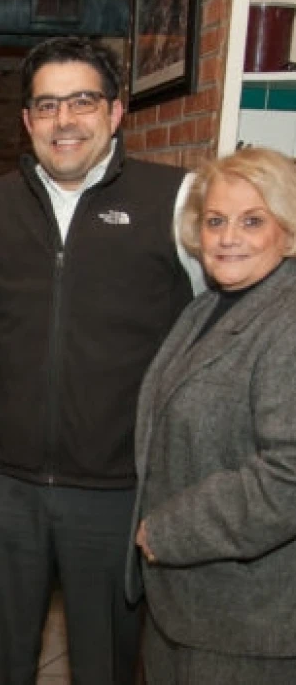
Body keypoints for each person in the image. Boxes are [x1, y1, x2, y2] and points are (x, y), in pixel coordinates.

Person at [0, 36, 206, 685]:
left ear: (115, 111)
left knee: (104, 662)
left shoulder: (174, 198)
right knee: (4, 660)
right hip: (7, 484)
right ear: (27, 120)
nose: (64, 120)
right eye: (47, 105)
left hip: (115, 489)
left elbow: (210, 334)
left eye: (82, 101)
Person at [127, 147, 296, 683]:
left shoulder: (288, 320)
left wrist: (168, 532)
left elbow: (288, 477)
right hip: (186, 607)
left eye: (253, 221)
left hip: (248, 620)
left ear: (289, 231)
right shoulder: (207, 306)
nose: (228, 238)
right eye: (216, 221)